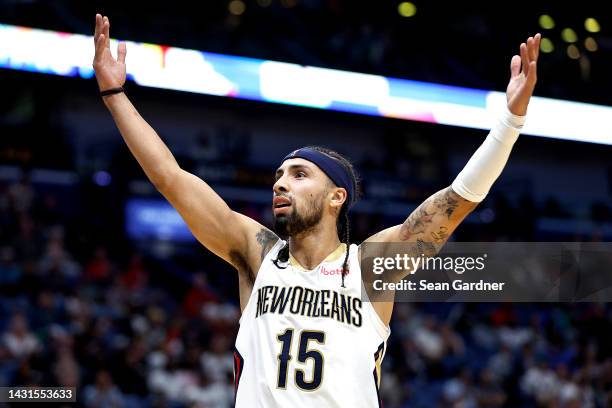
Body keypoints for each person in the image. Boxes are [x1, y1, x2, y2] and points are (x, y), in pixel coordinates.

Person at [92, 13, 541, 407]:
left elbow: (455, 202)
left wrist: (510, 123)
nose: (282, 182)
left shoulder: (369, 267)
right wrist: (114, 94)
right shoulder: (256, 254)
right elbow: (171, 178)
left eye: (300, 174)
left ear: (336, 196)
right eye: (279, 176)